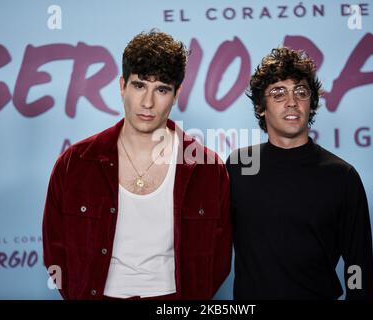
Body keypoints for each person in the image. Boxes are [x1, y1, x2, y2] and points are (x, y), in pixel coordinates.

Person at [42, 30, 232, 300]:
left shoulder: (208, 168)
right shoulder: (75, 163)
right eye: (139, 85)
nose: (147, 102)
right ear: (122, 86)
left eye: (162, 89)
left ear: (176, 94)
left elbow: (219, 259)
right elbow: (54, 249)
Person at [226, 47, 373, 299]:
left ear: (311, 104)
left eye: (301, 92)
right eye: (278, 93)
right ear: (261, 107)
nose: (291, 102)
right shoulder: (239, 164)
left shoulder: (341, 176)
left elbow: (358, 265)